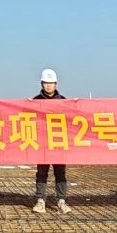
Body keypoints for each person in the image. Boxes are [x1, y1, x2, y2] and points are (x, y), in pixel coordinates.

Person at [32, 69, 72, 215]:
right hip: (42, 143)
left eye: (51, 83)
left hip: (58, 143)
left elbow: (70, 119)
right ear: (42, 84)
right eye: (46, 83)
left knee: (60, 172)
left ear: (56, 84)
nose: (48, 85)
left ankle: (61, 201)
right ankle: (40, 201)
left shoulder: (63, 101)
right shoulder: (35, 101)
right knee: (42, 173)